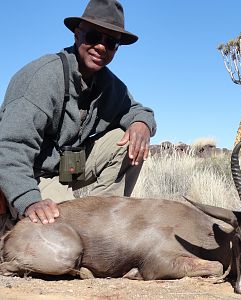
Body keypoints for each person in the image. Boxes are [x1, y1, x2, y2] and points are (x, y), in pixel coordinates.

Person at [0, 0, 156, 234]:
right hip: (31, 175)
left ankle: (103, 223)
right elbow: (11, 146)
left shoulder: (110, 85)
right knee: (64, 229)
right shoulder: (41, 77)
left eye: (111, 42)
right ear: (77, 34)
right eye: (94, 37)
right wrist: (29, 200)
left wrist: (142, 123)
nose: (102, 47)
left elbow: (138, 110)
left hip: (67, 168)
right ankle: (13, 221)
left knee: (128, 141)